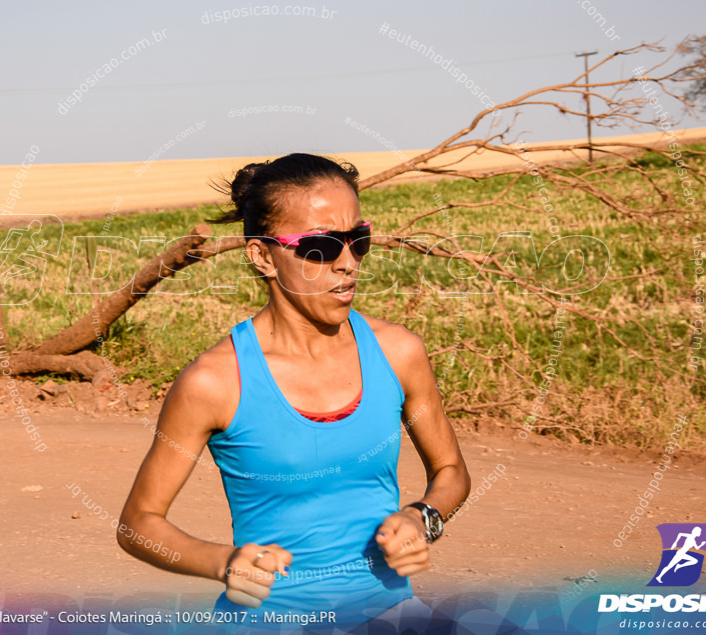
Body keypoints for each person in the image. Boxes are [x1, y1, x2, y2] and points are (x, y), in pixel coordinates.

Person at [117, 153, 470, 632]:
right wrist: (224, 562)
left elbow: (450, 471)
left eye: (357, 240)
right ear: (262, 255)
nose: (347, 264)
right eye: (320, 246)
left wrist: (421, 516)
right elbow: (139, 524)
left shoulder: (398, 353)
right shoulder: (215, 382)